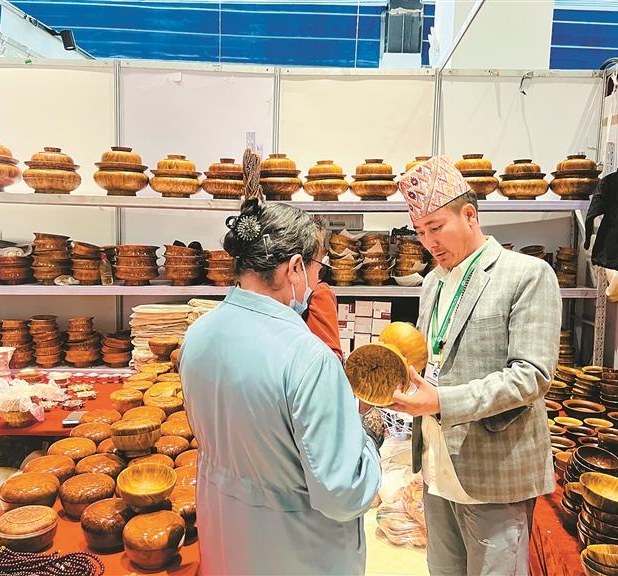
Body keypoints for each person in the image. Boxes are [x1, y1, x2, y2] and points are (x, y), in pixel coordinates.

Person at [179, 198, 382, 575]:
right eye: (318, 268)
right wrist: (368, 437)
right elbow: (343, 493)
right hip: (297, 553)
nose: (317, 282)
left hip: (225, 541)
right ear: (295, 268)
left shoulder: (198, 335)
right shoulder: (308, 359)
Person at [389, 156, 561, 576]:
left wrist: (441, 401)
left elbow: (532, 375)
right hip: (436, 466)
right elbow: (432, 357)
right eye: (419, 231)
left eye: (436, 227)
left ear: (469, 214)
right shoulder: (433, 281)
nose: (428, 242)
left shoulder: (527, 275)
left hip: (494, 470)